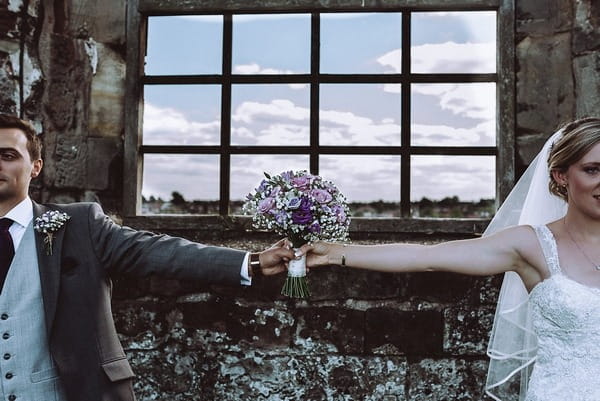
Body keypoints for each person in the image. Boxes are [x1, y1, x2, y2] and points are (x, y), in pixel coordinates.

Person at [0, 113, 295, 401]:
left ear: (36, 166)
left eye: (7, 155)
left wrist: (253, 261)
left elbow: (158, 252)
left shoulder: (79, 225)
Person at [301, 117, 600, 401]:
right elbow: (425, 257)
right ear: (561, 176)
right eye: (592, 170)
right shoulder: (531, 244)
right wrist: (333, 253)